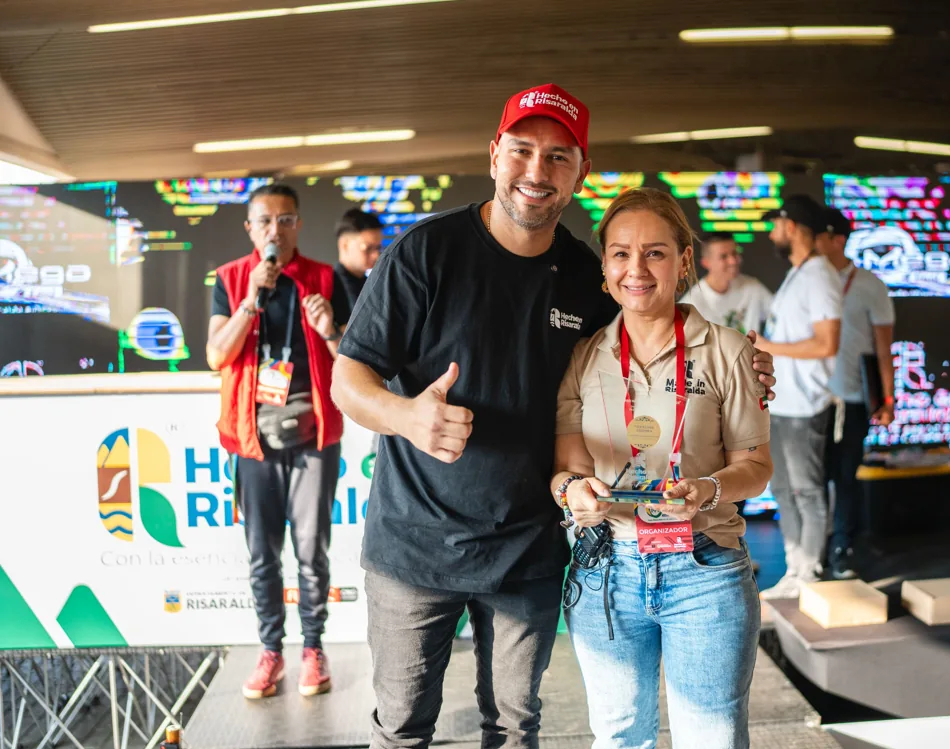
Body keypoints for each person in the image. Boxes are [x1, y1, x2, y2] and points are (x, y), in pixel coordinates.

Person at [329, 83, 777, 748]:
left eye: (558, 157)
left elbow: (645, 328)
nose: (536, 172)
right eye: (521, 151)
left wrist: (742, 363)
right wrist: (403, 415)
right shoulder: (426, 253)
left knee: (514, 728)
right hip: (414, 546)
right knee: (400, 727)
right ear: (494, 155)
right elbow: (348, 377)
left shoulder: (583, 277)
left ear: (579, 173)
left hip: (528, 548)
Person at [553, 187, 773, 748]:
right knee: (620, 737)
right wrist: (575, 491)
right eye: (621, 253)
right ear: (604, 268)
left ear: (683, 262)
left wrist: (706, 489)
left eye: (655, 252)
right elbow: (567, 468)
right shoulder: (582, 357)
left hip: (706, 570)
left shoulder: (729, 351)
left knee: (712, 739)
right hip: (607, 571)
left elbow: (755, 466)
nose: (637, 269)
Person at [206, 183, 352, 700]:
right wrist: (250, 303)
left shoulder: (326, 278)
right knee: (262, 554)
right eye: (265, 221)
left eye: (286, 220)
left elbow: (355, 362)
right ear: (251, 229)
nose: (276, 230)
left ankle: (313, 649)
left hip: (314, 436)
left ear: (298, 224)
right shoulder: (229, 279)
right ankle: (271, 652)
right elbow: (216, 356)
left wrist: (330, 329)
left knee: (312, 550)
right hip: (253, 437)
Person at [755, 194, 843, 598]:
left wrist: (771, 346)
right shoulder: (798, 273)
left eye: (776, 225)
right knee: (782, 490)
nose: (772, 232)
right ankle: (796, 568)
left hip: (805, 406)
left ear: (791, 227)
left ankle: (811, 569)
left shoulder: (821, 275)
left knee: (807, 489)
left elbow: (827, 343)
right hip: (782, 404)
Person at [816, 208, 895, 580]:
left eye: (819, 236)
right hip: (811, 402)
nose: (812, 243)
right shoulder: (807, 280)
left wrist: (888, 399)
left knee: (846, 476)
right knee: (813, 479)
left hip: (852, 399)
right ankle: (814, 549)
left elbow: (883, 347)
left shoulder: (869, 284)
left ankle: (842, 548)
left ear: (837, 240)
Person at [679, 231, 773, 334]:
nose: (733, 261)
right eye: (723, 256)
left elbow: (780, 315)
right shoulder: (691, 305)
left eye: (734, 253)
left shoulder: (753, 287)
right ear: (706, 263)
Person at [333, 207, 384, 313]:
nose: (376, 255)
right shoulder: (328, 287)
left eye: (378, 248)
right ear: (344, 245)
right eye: (368, 248)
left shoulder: (371, 284)